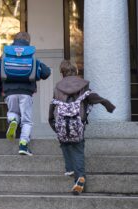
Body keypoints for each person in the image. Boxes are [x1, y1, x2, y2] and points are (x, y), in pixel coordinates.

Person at [48, 60, 116, 195]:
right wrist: (106, 104)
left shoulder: (57, 87)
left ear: (62, 73)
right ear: (76, 71)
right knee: (78, 149)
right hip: (78, 124)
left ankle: (70, 169)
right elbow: (93, 97)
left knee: (65, 144)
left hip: (62, 125)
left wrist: (53, 124)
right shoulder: (83, 85)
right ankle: (80, 178)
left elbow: (52, 107)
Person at [0, 32, 51, 155]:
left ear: (14, 41)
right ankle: (23, 145)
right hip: (26, 93)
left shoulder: (5, 55)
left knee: (13, 112)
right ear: (28, 42)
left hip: (9, 92)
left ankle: (13, 120)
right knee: (27, 121)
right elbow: (46, 73)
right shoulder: (31, 56)